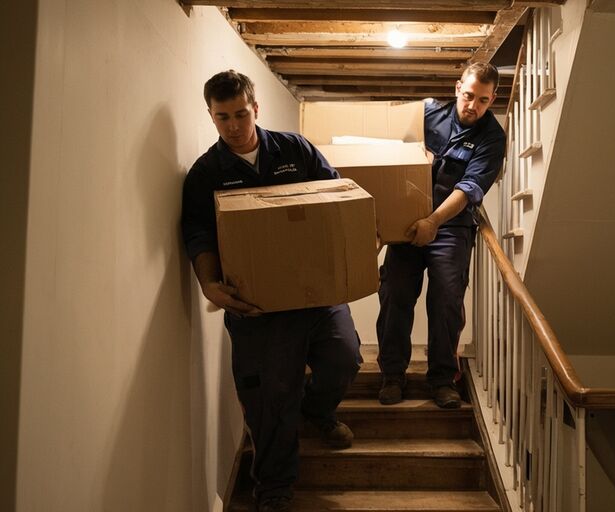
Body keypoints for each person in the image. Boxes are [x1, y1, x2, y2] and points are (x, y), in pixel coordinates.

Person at [181, 70, 361, 512]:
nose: (233, 126)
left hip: (316, 294)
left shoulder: (293, 148)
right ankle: (274, 488)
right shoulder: (207, 173)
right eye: (222, 117)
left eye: (241, 114)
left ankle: (317, 411)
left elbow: (336, 194)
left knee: (345, 357)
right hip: (256, 305)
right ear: (211, 115)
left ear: (255, 109)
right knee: (269, 397)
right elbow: (199, 233)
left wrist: (357, 240)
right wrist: (209, 284)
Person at [376, 63, 505, 409]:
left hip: (451, 226)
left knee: (446, 299)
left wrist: (433, 221)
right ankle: (391, 375)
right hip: (406, 223)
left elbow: (470, 186)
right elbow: (389, 160)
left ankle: (442, 380)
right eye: (468, 96)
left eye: (482, 100)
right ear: (457, 87)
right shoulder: (426, 114)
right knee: (395, 294)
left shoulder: (493, 137)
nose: (472, 106)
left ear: (492, 99)